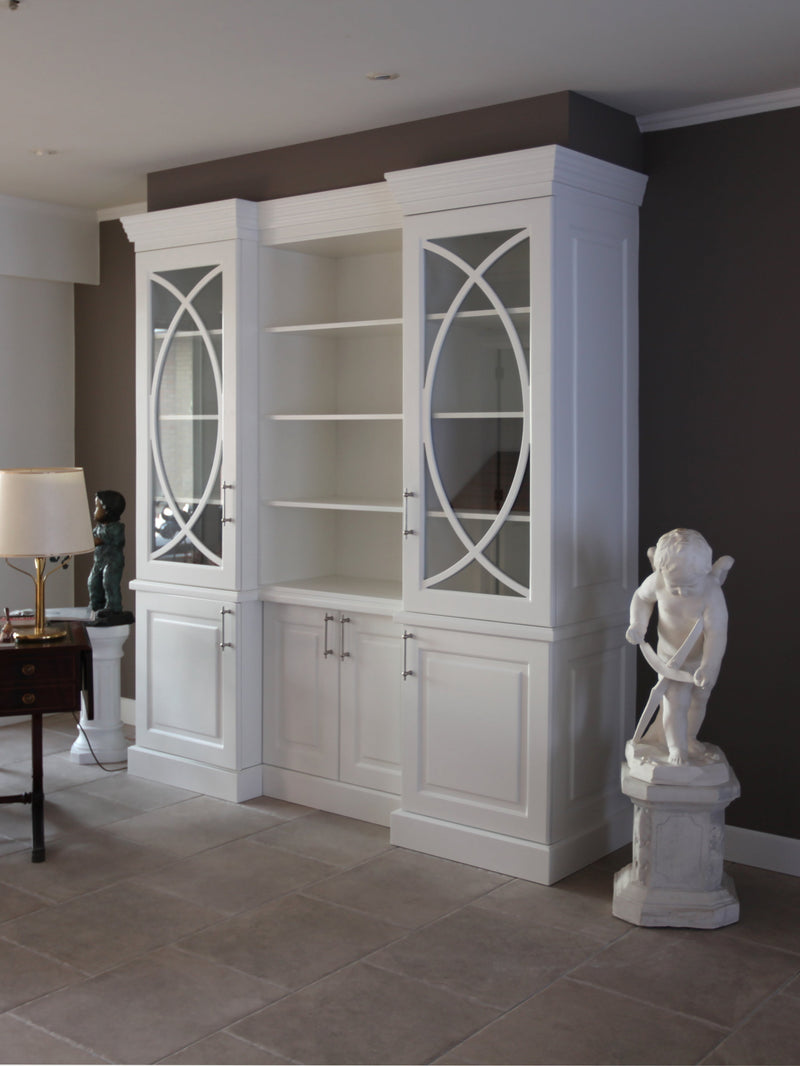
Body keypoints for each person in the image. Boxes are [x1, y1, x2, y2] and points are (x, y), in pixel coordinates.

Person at [626, 528, 733, 765]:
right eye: (675, 587)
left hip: (700, 662)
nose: (681, 592)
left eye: (689, 587)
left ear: (706, 572)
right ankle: (675, 746)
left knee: (699, 701)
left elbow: (716, 633)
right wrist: (637, 624)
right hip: (669, 659)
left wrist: (709, 666)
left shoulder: (711, 593)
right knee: (675, 703)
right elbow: (641, 599)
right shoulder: (658, 582)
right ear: (662, 570)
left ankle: (689, 738)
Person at [88, 489, 127, 618]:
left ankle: (113, 607)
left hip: (112, 562)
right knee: (93, 582)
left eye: (97, 508)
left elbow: (98, 540)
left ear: (107, 510)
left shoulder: (116, 528)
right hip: (99, 561)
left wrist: (87, 541)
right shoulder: (99, 527)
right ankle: (96, 605)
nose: (95, 511)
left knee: (109, 583)